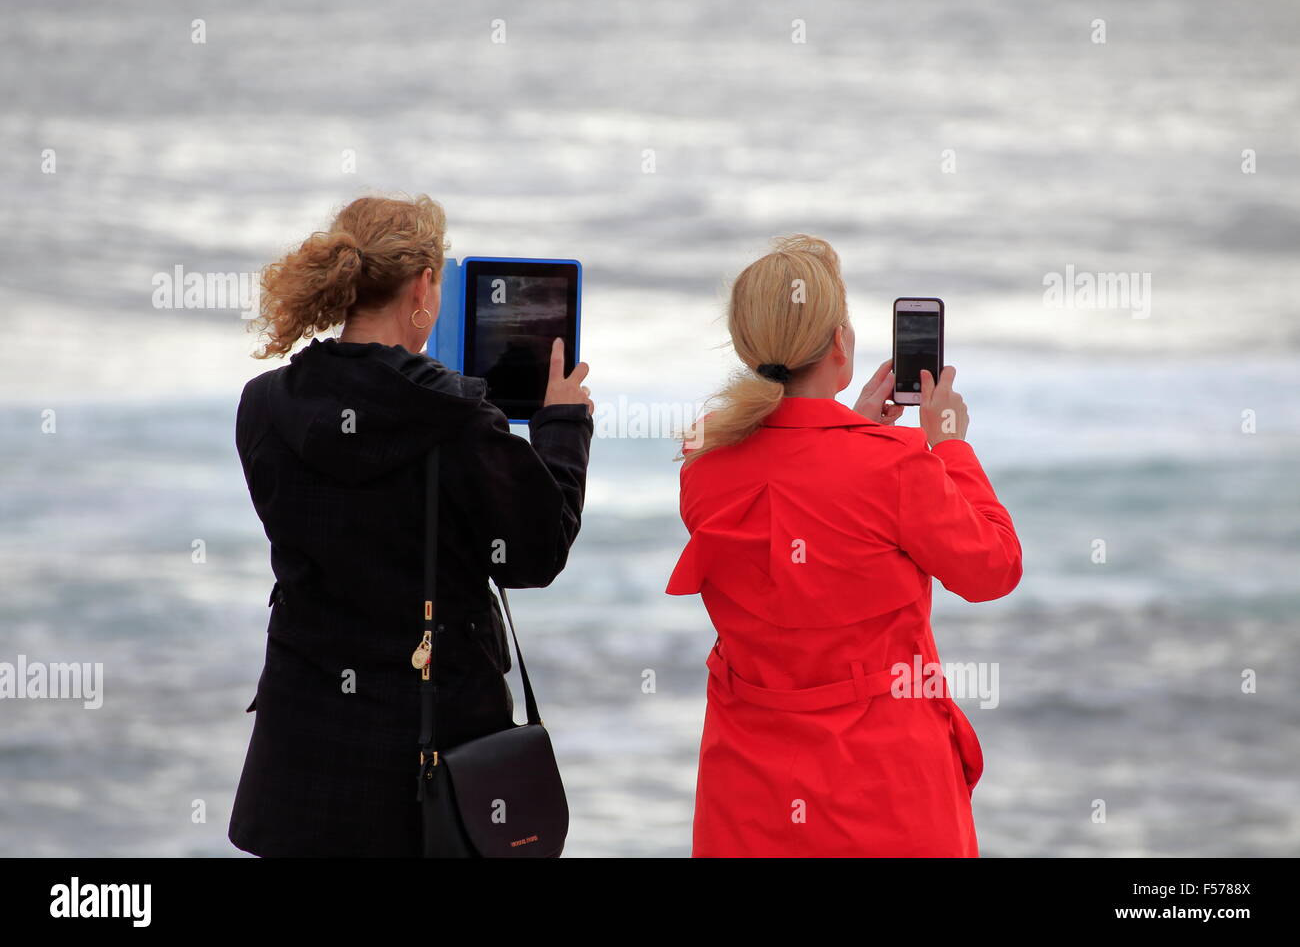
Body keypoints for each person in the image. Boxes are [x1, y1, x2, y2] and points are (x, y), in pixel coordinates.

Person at [228, 194, 594, 856]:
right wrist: (561, 424)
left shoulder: (263, 406)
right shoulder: (455, 417)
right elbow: (534, 555)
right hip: (428, 767)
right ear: (425, 287)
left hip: (302, 761)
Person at [666, 234, 1022, 857]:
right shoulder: (893, 465)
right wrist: (949, 447)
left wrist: (854, 426)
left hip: (749, 788)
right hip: (881, 785)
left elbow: (797, 509)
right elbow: (993, 568)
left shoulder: (703, 458)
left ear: (750, 346)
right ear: (840, 342)